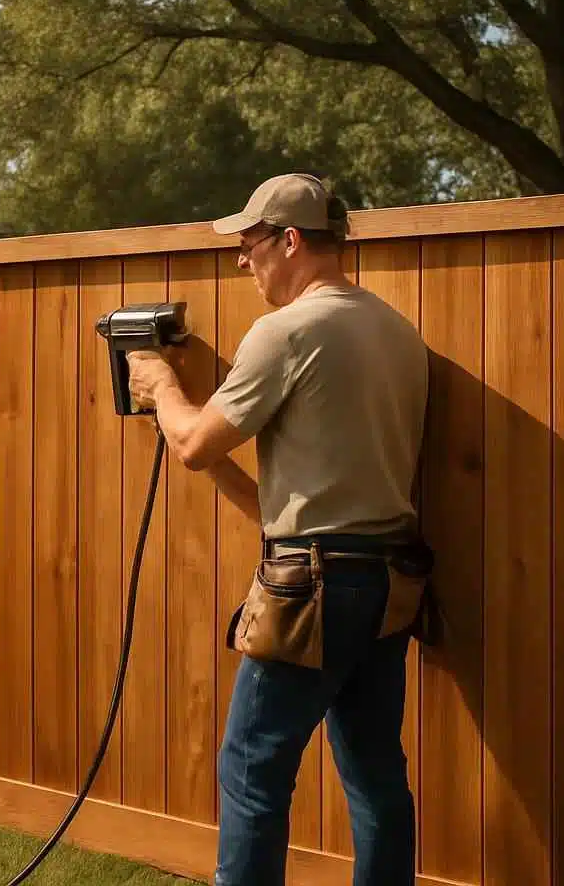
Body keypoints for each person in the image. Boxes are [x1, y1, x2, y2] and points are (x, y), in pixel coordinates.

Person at [126, 173, 430, 886]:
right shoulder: (394, 331)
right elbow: (287, 496)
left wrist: (162, 387)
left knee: (251, 769)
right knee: (375, 772)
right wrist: (201, 430)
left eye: (250, 242)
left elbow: (194, 443)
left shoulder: (287, 331)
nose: (241, 259)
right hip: (387, 582)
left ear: (290, 240)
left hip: (311, 588)